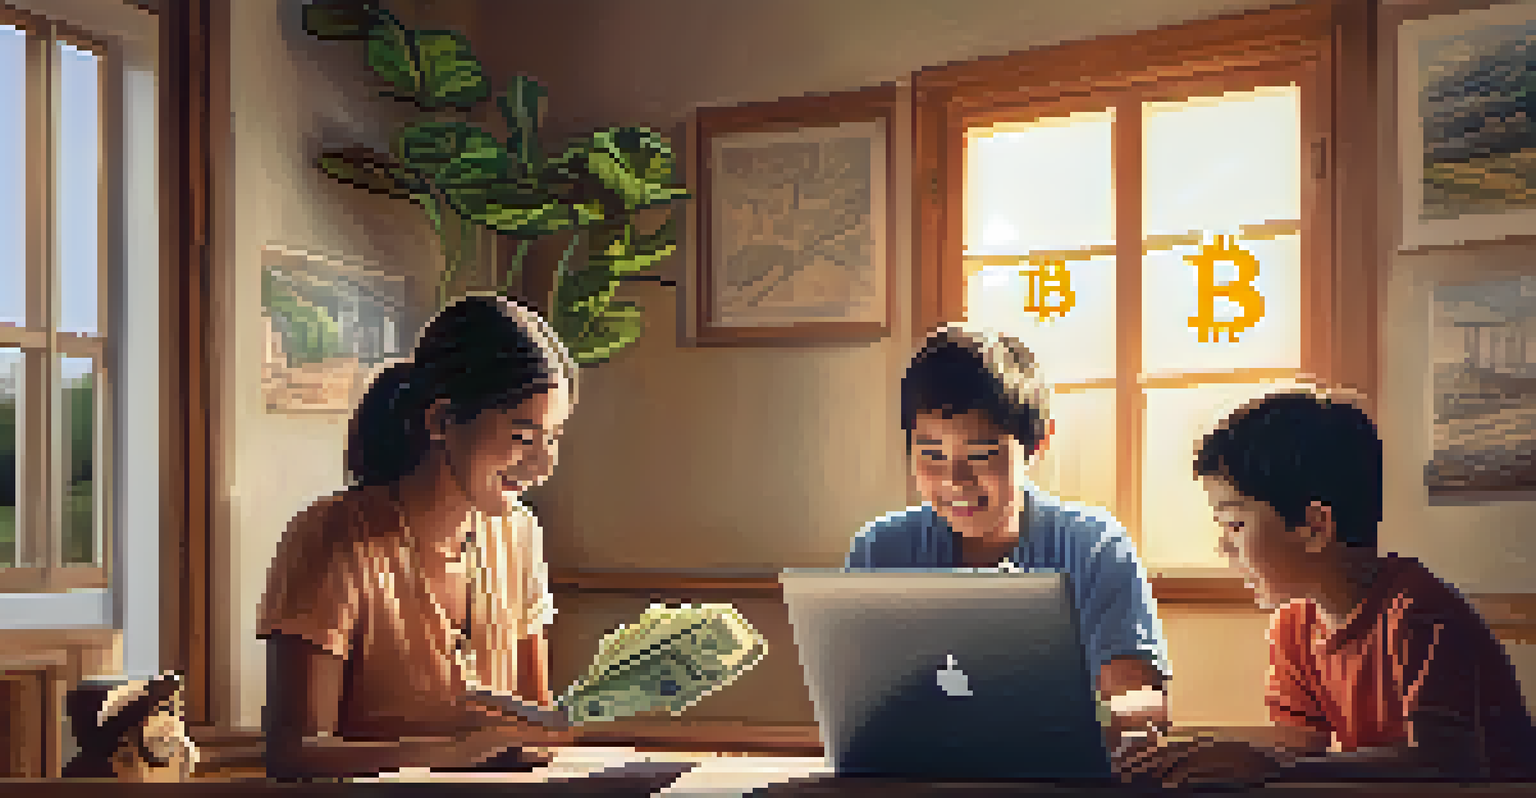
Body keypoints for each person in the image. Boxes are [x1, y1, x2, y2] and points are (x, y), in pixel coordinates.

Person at [1124, 388, 1536, 787]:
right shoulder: (1295, 624)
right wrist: (1189, 747)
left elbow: (1442, 764)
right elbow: (1300, 740)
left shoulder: (1418, 615)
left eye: (1235, 524)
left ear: (1315, 527)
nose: (1223, 546)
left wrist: (1273, 771)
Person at [258, 294, 578, 780]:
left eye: (551, 438)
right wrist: (456, 752)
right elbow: (296, 752)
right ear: (441, 421)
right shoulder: (332, 536)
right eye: (522, 436)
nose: (544, 465)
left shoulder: (518, 534)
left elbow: (537, 727)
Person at [845, 324, 1173, 758]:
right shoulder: (879, 549)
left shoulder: (1094, 545)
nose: (954, 481)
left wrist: (1050, 722)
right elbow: (853, 705)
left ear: (1038, 445)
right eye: (931, 455)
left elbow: (1144, 701)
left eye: (981, 455)